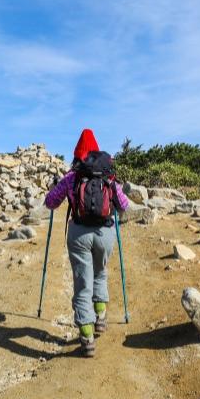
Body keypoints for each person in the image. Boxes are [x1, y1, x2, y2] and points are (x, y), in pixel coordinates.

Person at [44, 128, 130, 357]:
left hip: (79, 235)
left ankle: (87, 338)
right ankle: (100, 317)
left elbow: (50, 203)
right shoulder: (108, 176)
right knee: (100, 273)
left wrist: (54, 188)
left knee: (83, 283)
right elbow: (124, 205)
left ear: (77, 153)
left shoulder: (71, 177)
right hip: (105, 234)